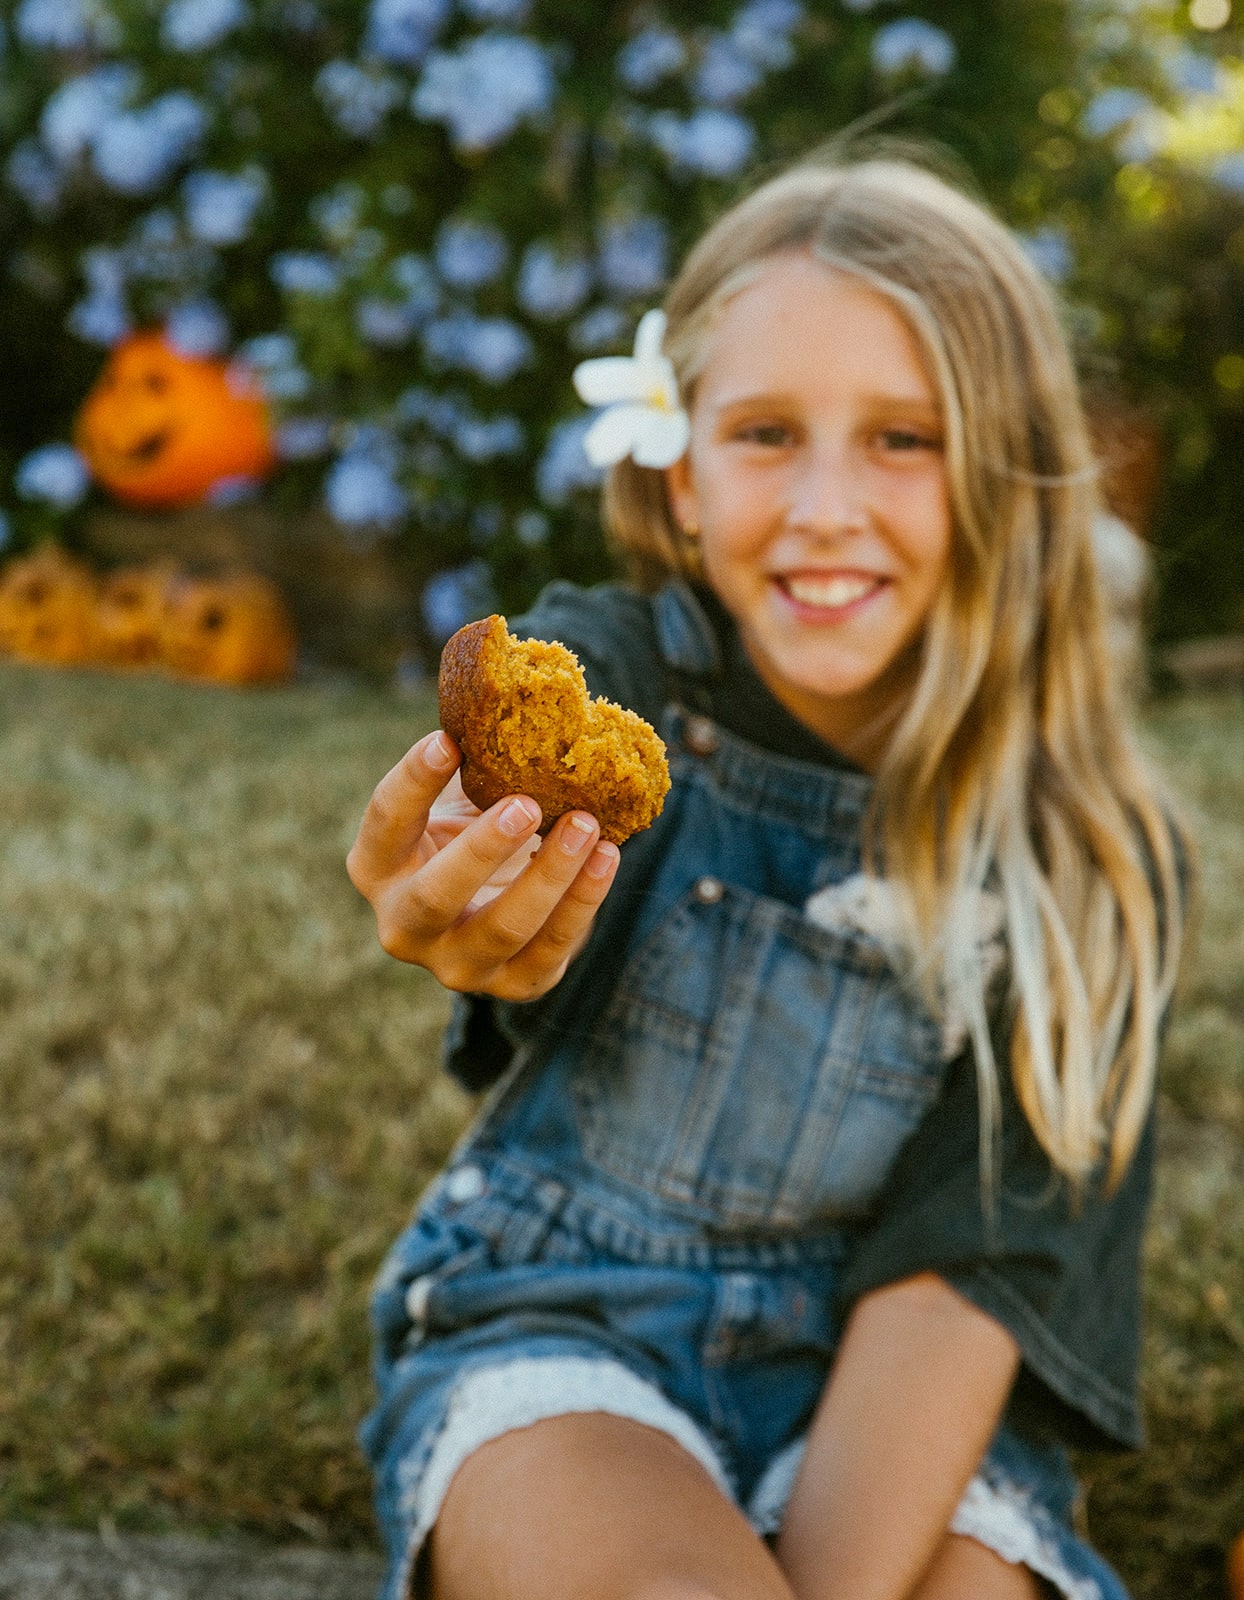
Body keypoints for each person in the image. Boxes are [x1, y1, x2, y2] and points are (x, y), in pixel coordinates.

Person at [346, 153, 1191, 1600]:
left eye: (904, 440)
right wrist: (470, 903)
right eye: (764, 433)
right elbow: (509, 876)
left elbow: (966, 1281)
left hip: (909, 1410)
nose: (823, 506)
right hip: (573, 1343)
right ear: (680, 478)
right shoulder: (619, 685)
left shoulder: (1089, 854)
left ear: (1008, 475)